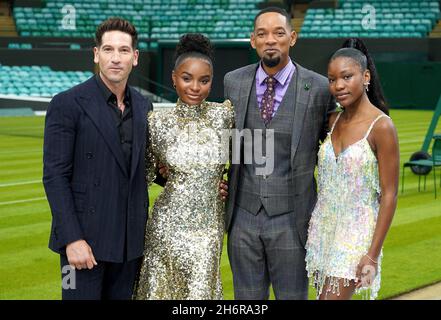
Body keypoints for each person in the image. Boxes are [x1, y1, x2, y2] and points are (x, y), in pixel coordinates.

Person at [220, 7, 335, 299]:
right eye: (262, 34)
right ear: (252, 40)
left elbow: (334, 147)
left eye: (279, 33)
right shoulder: (233, 82)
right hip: (243, 218)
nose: (270, 40)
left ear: (292, 38)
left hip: (292, 219)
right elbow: (228, 142)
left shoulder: (320, 88)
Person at [43, 18, 155, 299]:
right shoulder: (66, 103)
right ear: (96, 54)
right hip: (81, 247)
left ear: (135, 57)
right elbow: (55, 176)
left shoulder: (144, 106)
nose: (115, 58)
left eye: (123, 50)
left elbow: (149, 167)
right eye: (108, 50)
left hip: (129, 247)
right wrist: (72, 239)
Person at [133, 33, 234, 300]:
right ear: (173, 78)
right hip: (165, 228)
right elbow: (142, 177)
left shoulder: (225, 116)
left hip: (209, 228)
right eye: (187, 78)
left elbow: (254, 159)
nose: (195, 87)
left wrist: (229, 185)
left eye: (204, 80)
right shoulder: (156, 123)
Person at [305, 38, 399, 300]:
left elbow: (389, 195)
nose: (338, 86)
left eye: (347, 77)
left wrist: (372, 253)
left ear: (365, 76)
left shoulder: (382, 127)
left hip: (357, 235)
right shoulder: (331, 121)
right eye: (332, 79)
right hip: (322, 230)